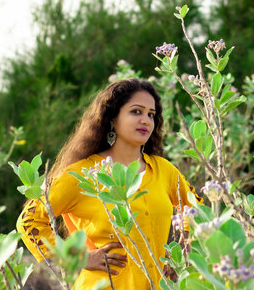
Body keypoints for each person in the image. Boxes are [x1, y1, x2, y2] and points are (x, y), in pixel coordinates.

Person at [17, 78, 201, 289]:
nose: (146, 121)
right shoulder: (82, 174)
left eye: (151, 114)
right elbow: (28, 221)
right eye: (136, 112)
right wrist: (79, 258)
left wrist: (184, 249)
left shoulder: (163, 170)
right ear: (113, 118)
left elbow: (199, 209)